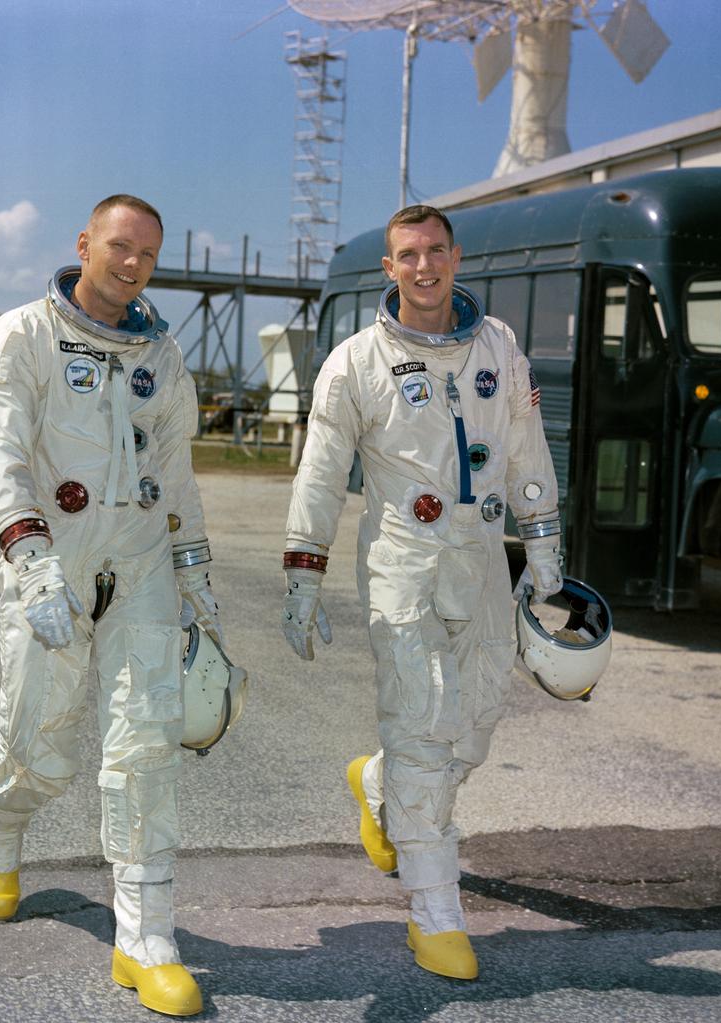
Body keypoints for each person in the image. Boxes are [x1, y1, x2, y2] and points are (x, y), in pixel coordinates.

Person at [281, 205, 563, 981]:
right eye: (408, 254)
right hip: (404, 563)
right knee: (421, 721)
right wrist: (305, 570)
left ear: (457, 256)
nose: (424, 266)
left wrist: (543, 545)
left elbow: (524, 446)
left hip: (480, 557)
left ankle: (376, 784)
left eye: (436, 251)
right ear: (390, 268)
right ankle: (436, 912)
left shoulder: (497, 346)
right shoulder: (357, 362)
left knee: (474, 723)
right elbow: (320, 471)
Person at [0, 194, 221, 1017]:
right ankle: (3, 830)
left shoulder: (162, 353)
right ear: (85, 243)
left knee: (144, 747)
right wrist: (28, 555)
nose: (131, 263)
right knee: (39, 740)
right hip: (52, 561)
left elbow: (176, 471)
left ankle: (146, 939)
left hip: (140, 560)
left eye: (146, 254)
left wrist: (196, 581)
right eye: (119, 246)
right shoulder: (27, 333)